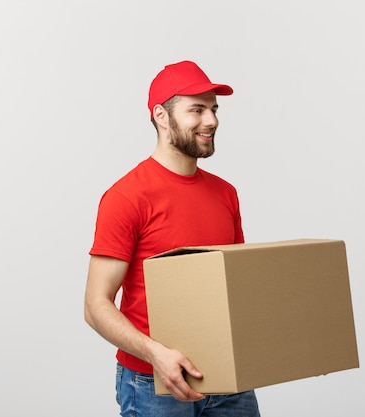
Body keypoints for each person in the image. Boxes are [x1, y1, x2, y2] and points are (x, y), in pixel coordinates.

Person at [84, 60, 261, 417]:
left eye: (213, 109)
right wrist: (156, 354)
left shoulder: (226, 193)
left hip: (227, 377)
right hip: (153, 382)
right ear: (161, 116)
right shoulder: (126, 197)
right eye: (197, 110)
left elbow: (236, 287)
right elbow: (95, 305)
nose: (211, 120)